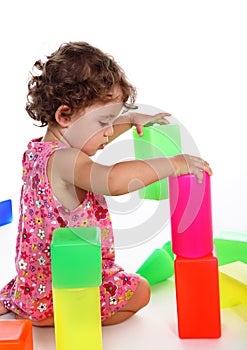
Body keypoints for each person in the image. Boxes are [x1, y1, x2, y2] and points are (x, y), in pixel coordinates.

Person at [0, 41, 212, 327]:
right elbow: (111, 180)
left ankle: (25, 305)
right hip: (66, 288)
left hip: (34, 284)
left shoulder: (39, 152)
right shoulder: (69, 161)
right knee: (141, 292)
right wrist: (172, 164)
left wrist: (128, 120)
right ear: (64, 116)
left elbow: (85, 139)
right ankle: (57, 317)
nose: (109, 132)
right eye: (104, 123)